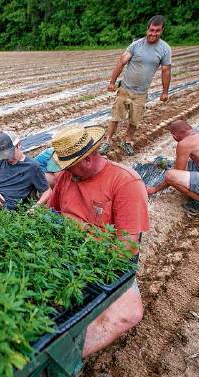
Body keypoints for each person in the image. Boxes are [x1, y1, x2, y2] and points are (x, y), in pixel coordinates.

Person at [46, 124, 149, 358]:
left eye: (70, 167)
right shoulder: (65, 177)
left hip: (103, 260)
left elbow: (125, 250)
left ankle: (65, 357)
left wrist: (82, 244)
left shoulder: (125, 183)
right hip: (63, 250)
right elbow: (51, 215)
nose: (65, 173)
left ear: (87, 160)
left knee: (129, 313)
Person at [100, 15, 172, 156]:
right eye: (151, 30)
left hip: (141, 93)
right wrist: (112, 82)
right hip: (125, 90)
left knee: (135, 120)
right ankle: (107, 141)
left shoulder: (165, 49)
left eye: (157, 31)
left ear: (162, 30)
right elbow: (121, 62)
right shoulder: (136, 45)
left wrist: (165, 92)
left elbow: (166, 70)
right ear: (147, 29)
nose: (153, 33)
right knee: (116, 117)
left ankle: (127, 142)